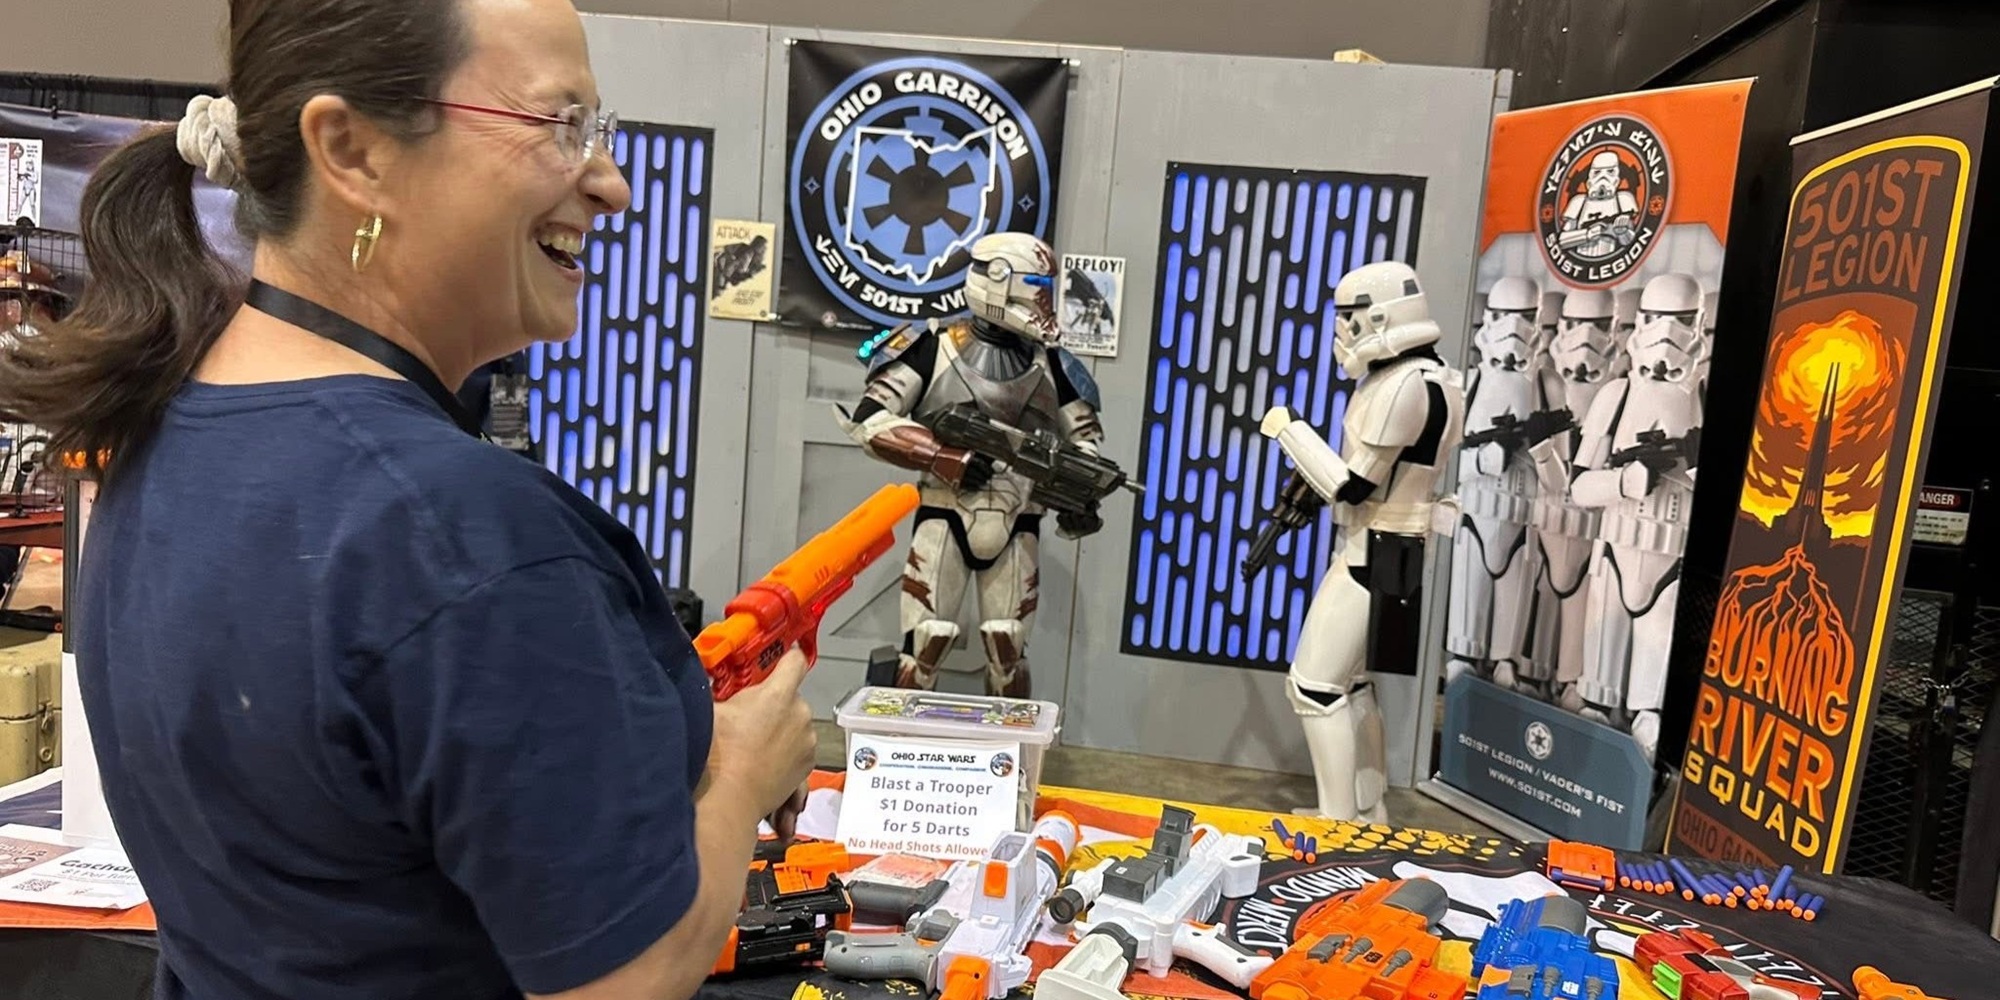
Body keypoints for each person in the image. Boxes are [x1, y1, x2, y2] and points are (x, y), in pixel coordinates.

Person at [0, 1, 817, 998]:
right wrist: (740, 772)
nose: (610, 183)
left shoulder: (168, 433)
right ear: (354, 151)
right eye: (562, 126)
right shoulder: (453, 529)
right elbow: (627, 977)